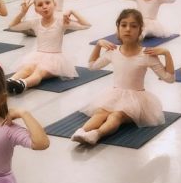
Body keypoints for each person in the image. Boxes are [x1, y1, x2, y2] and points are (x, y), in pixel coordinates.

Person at [70, 8, 175, 146]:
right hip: (114, 94)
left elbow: (169, 78)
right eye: (124, 25)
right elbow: (92, 66)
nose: (128, 29)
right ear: (118, 28)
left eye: (133, 26)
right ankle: (82, 131)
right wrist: (98, 45)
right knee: (100, 112)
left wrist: (167, 54)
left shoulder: (147, 55)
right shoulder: (113, 52)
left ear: (140, 30)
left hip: (136, 100)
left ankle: (96, 134)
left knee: (117, 115)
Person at [5, 0, 90, 94]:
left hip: (55, 59)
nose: (44, 7)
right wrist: (22, 13)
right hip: (37, 56)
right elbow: (12, 27)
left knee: (39, 71)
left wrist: (72, 11)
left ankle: (23, 83)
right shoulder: (35, 23)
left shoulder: (61, 22)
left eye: (47, 3)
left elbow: (86, 25)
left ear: (54, 4)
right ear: (36, 10)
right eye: (40, 5)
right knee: (27, 68)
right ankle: (8, 82)